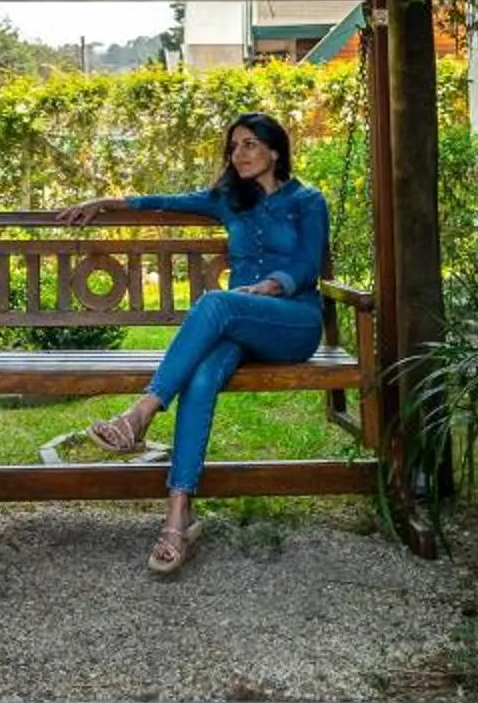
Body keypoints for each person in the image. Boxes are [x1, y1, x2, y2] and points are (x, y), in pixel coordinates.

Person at [56, 113, 329, 577]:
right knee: (200, 378)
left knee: (215, 304)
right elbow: (161, 200)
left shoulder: (307, 200)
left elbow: (307, 263)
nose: (238, 154)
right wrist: (107, 202)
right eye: (233, 146)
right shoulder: (228, 200)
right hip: (235, 325)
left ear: (274, 151)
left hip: (292, 322)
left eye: (248, 144)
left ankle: (141, 412)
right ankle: (178, 517)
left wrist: (269, 287)